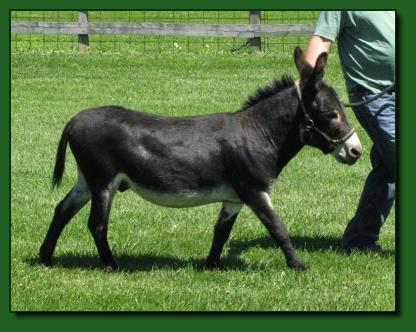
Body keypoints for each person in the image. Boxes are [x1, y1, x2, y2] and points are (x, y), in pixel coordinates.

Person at [302, 11, 395, 252]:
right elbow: (322, 39)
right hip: (373, 94)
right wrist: (305, 82)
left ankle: (359, 240)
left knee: (389, 167)